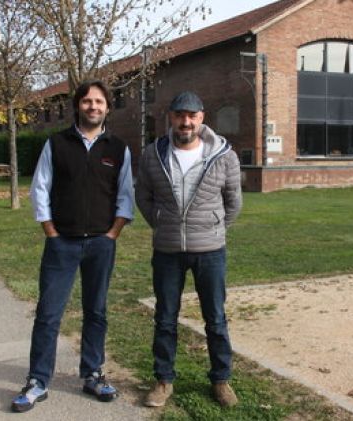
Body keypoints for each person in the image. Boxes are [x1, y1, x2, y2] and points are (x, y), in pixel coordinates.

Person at [11, 80, 134, 412]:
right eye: (87, 101)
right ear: (77, 106)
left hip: (100, 244)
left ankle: (92, 373)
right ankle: (38, 380)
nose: (93, 107)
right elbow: (40, 188)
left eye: (99, 102)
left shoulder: (118, 148)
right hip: (61, 244)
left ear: (107, 107)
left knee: (96, 312)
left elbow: (125, 196)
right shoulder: (56, 143)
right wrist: (50, 230)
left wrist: (113, 234)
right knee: (49, 314)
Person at [135, 91, 243, 408]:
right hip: (167, 250)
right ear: (171, 117)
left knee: (216, 319)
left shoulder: (224, 155)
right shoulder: (152, 154)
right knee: (165, 318)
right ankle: (163, 381)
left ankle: (221, 380)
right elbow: (143, 196)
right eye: (180, 115)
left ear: (202, 118)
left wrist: (214, 226)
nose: (186, 121)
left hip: (210, 250)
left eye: (192, 115)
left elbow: (233, 201)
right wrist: (160, 222)